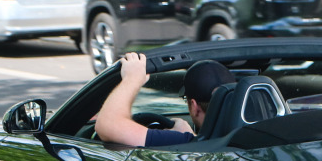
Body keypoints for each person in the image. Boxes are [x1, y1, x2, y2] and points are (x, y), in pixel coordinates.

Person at [96, 52, 234, 146]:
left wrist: (132, 79)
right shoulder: (250, 135)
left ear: (194, 106)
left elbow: (108, 125)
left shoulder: (187, 143)